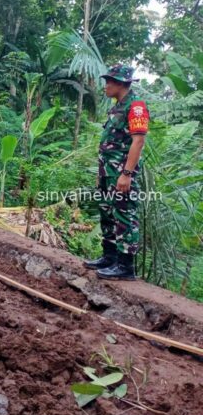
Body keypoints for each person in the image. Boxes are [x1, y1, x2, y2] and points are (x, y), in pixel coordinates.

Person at [84, 64, 148, 281]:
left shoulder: (136, 107)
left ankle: (125, 266)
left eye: (109, 81)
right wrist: (101, 173)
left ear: (121, 83)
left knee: (124, 214)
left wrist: (126, 174)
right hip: (108, 172)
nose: (106, 86)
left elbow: (138, 141)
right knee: (107, 213)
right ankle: (109, 257)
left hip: (121, 173)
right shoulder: (117, 106)